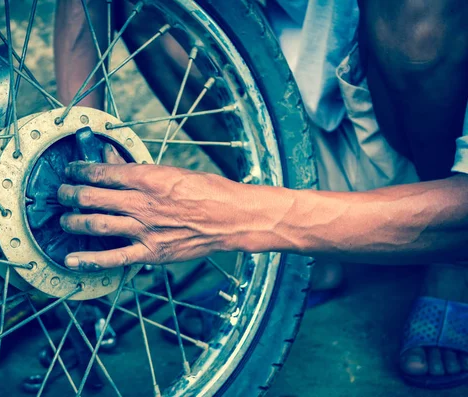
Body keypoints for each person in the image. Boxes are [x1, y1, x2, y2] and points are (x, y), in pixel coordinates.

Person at [54, 0, 468, 389]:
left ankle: (452, 265)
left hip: (436, 168)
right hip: (304, 134)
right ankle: (306, 256)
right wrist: (79, 159)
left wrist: (236, 217)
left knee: (419, 11)